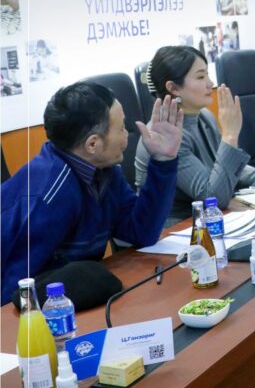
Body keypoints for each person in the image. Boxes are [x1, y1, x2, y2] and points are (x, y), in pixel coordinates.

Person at [1, 82, 183, 300]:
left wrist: (163, 160)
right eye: (121, 128)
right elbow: (18, 295)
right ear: (92, 144)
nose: (127, 134)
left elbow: (141, 233)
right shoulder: (48, 198)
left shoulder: (104, 171)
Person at [135, 46, 255, 223]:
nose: (210, 83)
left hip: (205, 218)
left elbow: (226, 169)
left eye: (207, 75)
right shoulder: (165, 136)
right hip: (172, 228)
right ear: (173, 88)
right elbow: (214, 198)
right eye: (200, 77)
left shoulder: (204, 116)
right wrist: (229, 136)